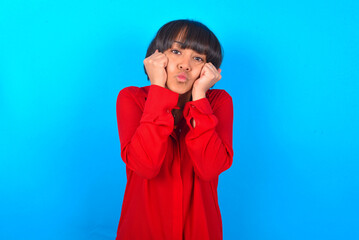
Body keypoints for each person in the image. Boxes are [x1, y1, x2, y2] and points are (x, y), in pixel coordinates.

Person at [115, 19, 234, 240]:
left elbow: (209, 169)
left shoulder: (218, 103)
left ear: (209, 69)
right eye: (177, 51)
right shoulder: (132, 99)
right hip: (143, 230)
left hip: (200, 231)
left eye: (197, 58)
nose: (185, 65)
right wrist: (158, 87)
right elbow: (145, 166)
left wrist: (199, 97)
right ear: (157, 57)